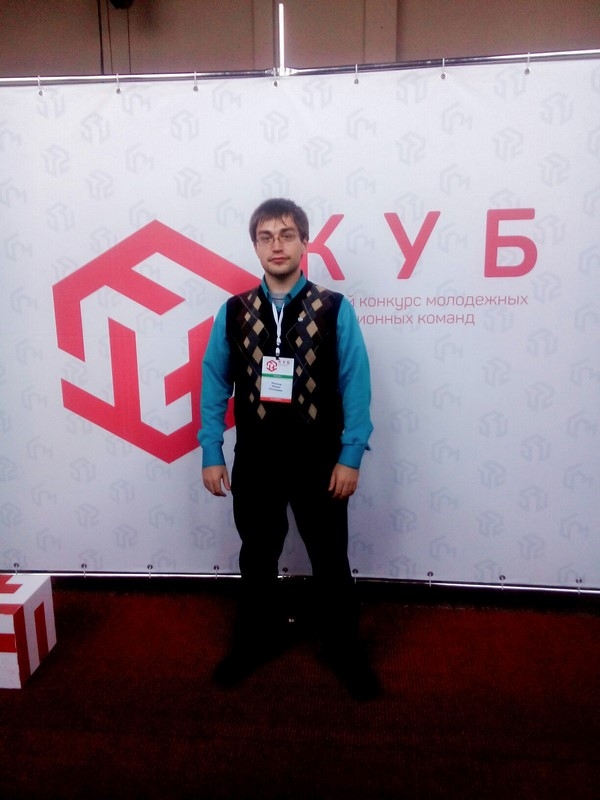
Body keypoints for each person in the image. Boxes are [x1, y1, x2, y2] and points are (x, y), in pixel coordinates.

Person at [199, 197, 379, 700]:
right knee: (257, 557)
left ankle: (343, 649)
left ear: (304, 242)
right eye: (266, 237)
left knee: (330, 558)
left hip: (320, 459)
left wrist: (351, 455)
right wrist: (211, 449)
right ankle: (256, 640)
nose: (276, 245)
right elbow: (214, 382)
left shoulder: (334, 307)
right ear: (255, 246)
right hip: (256, 459)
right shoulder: (233, 312)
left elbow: (356, 383)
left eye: (286, 235)